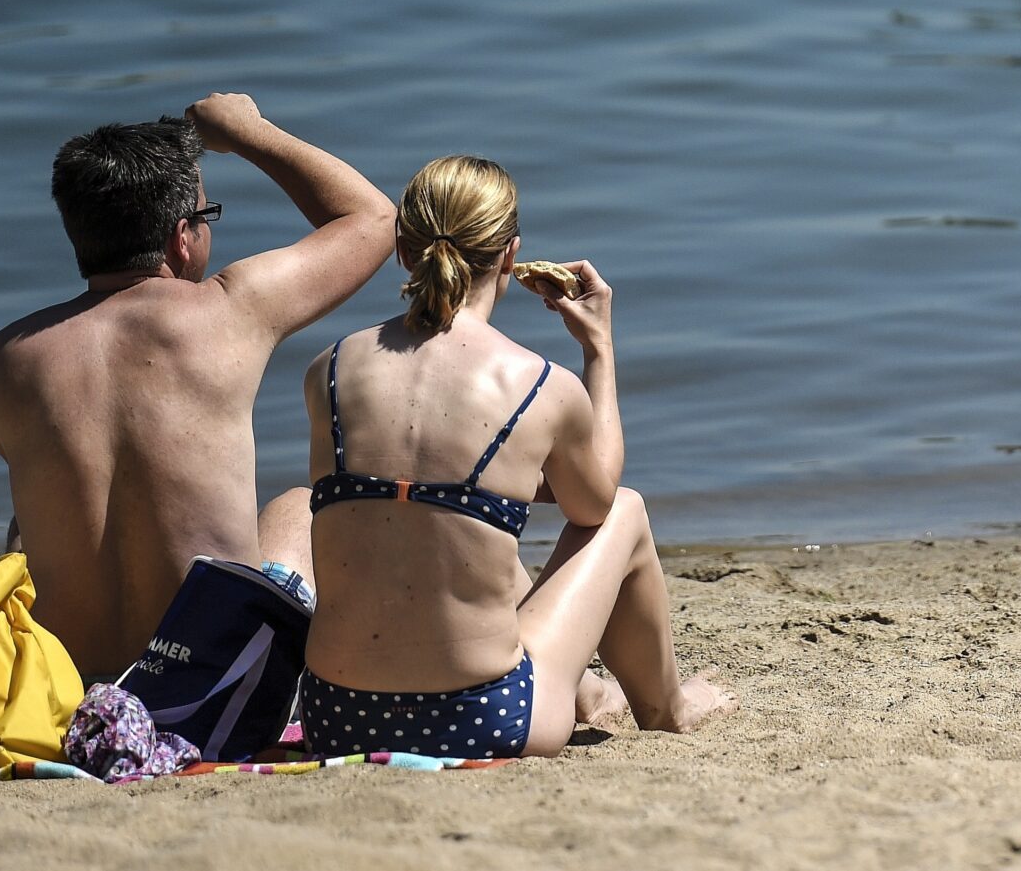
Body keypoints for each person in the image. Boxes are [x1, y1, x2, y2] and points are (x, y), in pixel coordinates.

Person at [297, 156, 734, 758]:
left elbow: (413, 481)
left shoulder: (329, 369)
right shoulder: (539, 385)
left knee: (439, 522)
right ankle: (668, 708)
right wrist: (599, 351)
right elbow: (593, 503)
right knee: (624, 512)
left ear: (403, 251)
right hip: (483, 720)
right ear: (511, 254)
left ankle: (584, 692)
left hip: (338, 716)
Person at [0, 94, 395, 680]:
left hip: (71, 693)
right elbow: (373, 220)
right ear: (182, 237)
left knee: (28, 527)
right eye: (207, 215)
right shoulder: (230, 312)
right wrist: (248, 132)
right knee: (299, 509)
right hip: (212, 691)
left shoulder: (5, 357)